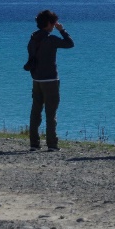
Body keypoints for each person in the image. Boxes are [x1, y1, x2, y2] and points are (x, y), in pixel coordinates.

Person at [26, 9, 74, 151]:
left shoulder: (33, 39)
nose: (54, 26)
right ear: (48, 23)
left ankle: (34, 144)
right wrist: (62, 30)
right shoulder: (51, 39)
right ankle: (52, 144)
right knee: (51, 113)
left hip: (37, 79)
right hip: (51, 80)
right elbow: (70, 44)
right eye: (53, 23)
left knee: (35, 111)